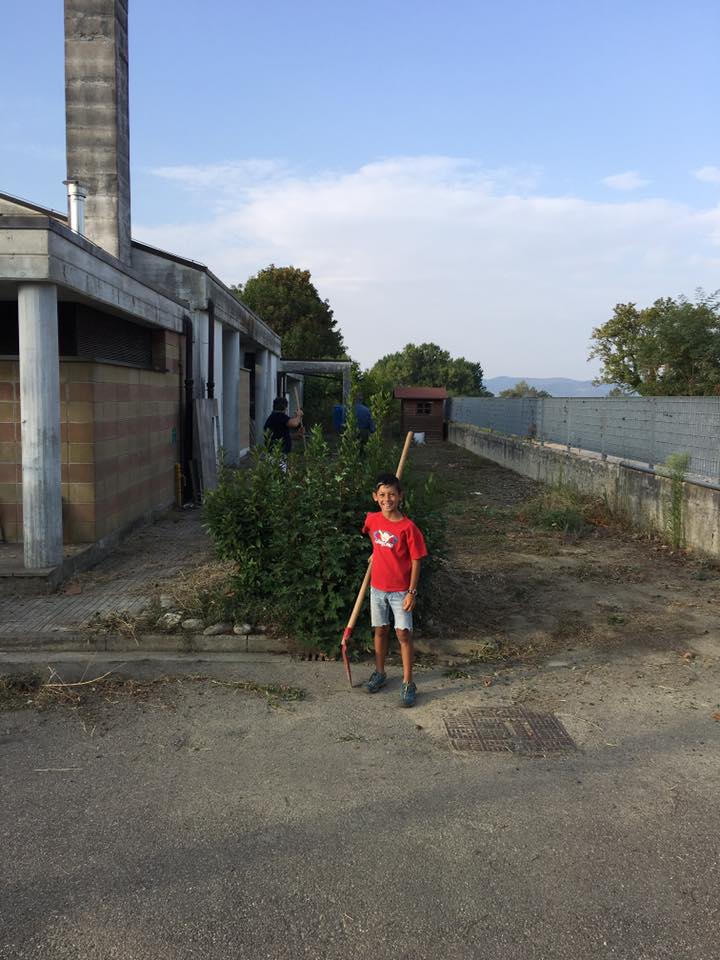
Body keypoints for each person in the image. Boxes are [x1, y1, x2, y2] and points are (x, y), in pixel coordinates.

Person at [362, 472, 428, 707]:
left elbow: (416, 560)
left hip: (400, 591)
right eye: (382, 495)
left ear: (400, 496)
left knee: (403, 634)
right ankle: (380, 673)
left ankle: (409, 682)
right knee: (380, 630)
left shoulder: (408, 528)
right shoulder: (372, 519)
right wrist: (376, 552)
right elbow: (374, 536)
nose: (387, 499)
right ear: (375, 497)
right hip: (377, 588)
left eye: (392, 494)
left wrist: (412, 592)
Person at [264, 397, 303, 461]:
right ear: (285, 407)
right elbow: (294, 423)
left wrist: (297, 434)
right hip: (276, 454)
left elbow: (282, 435)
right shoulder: (278, 416)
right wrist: (299, 415)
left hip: (277, 453)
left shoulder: (275, 417)